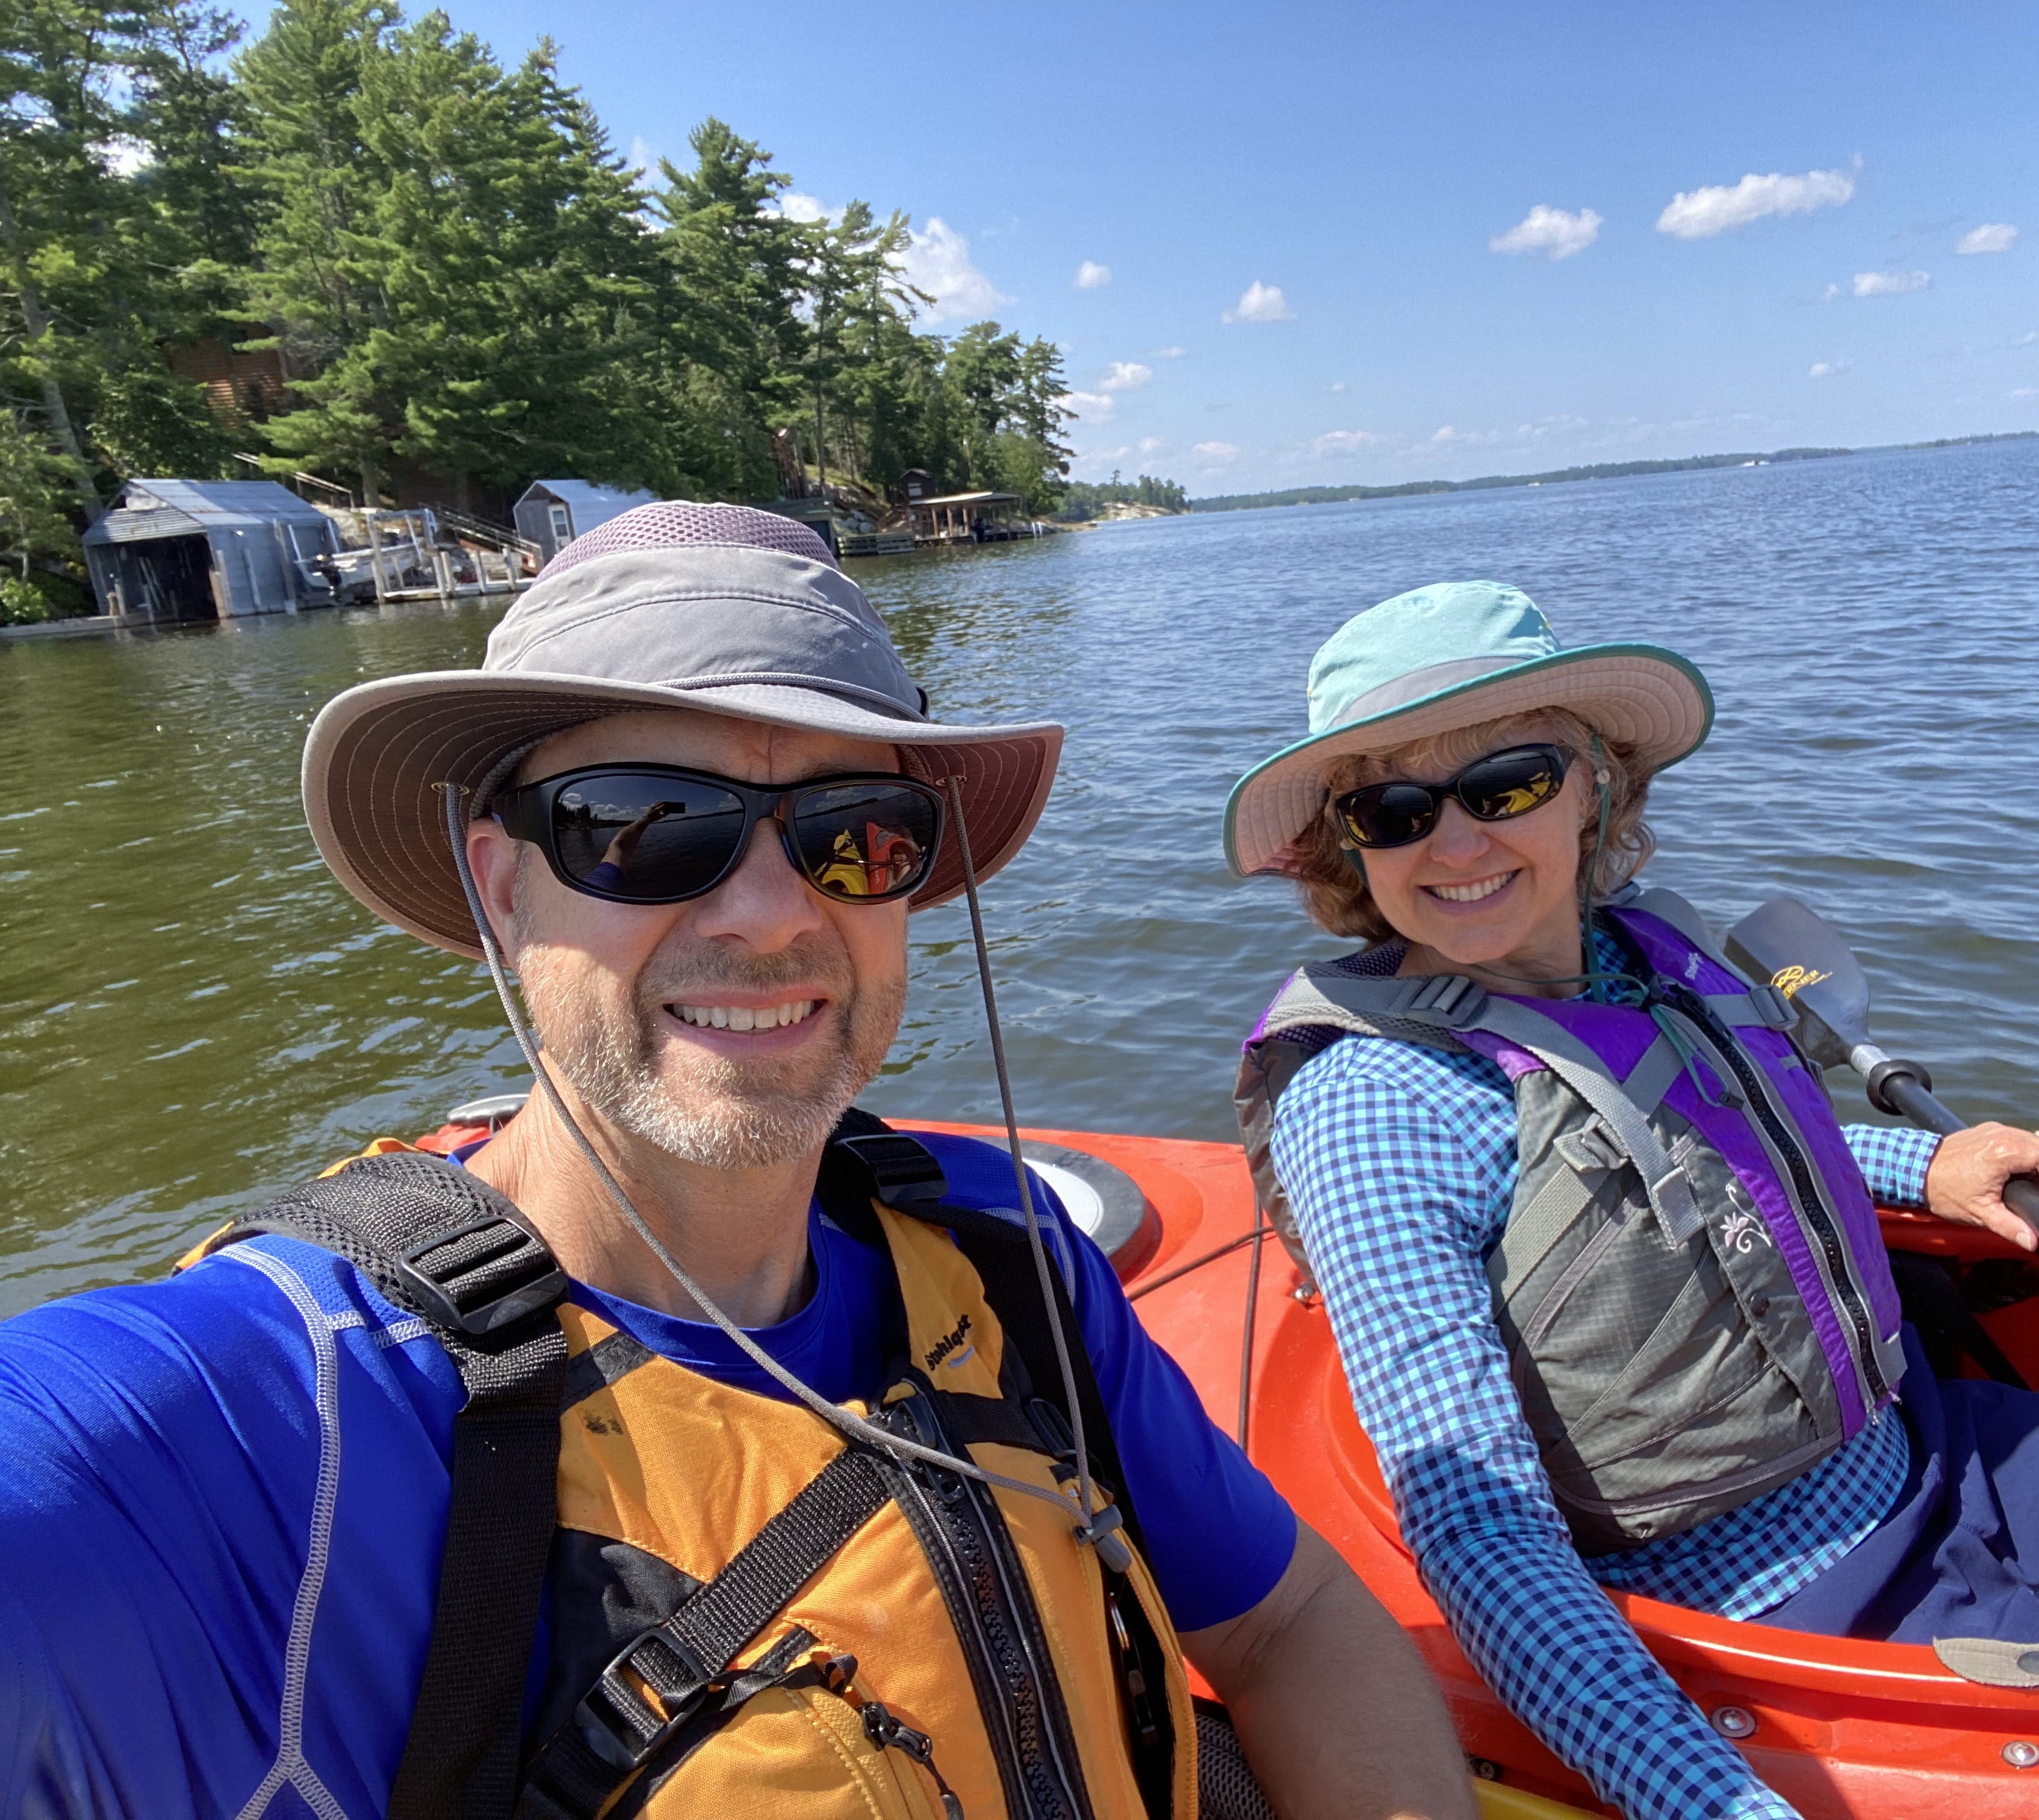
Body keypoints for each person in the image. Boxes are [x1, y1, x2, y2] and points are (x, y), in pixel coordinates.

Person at [0, 505, 1477, 1820]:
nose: (775, 912)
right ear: (498, 885)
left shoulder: (1006, 1256)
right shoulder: (290, 1420)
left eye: (858, 834)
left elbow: (1285, 1627)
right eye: (647, 826)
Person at [1224, 580, 2039, 1820]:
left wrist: (1924, 1168)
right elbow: (1481, 1536)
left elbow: (1720, 1156)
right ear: (1348, 845)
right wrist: (1714, 1804)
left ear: (1593, 780)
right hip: (1769, 1614)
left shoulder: (1637, 953)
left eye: (1507, 783)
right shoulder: (1377, 1105)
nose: (1458, 844)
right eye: (1396, 809)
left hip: (1936, 1458)